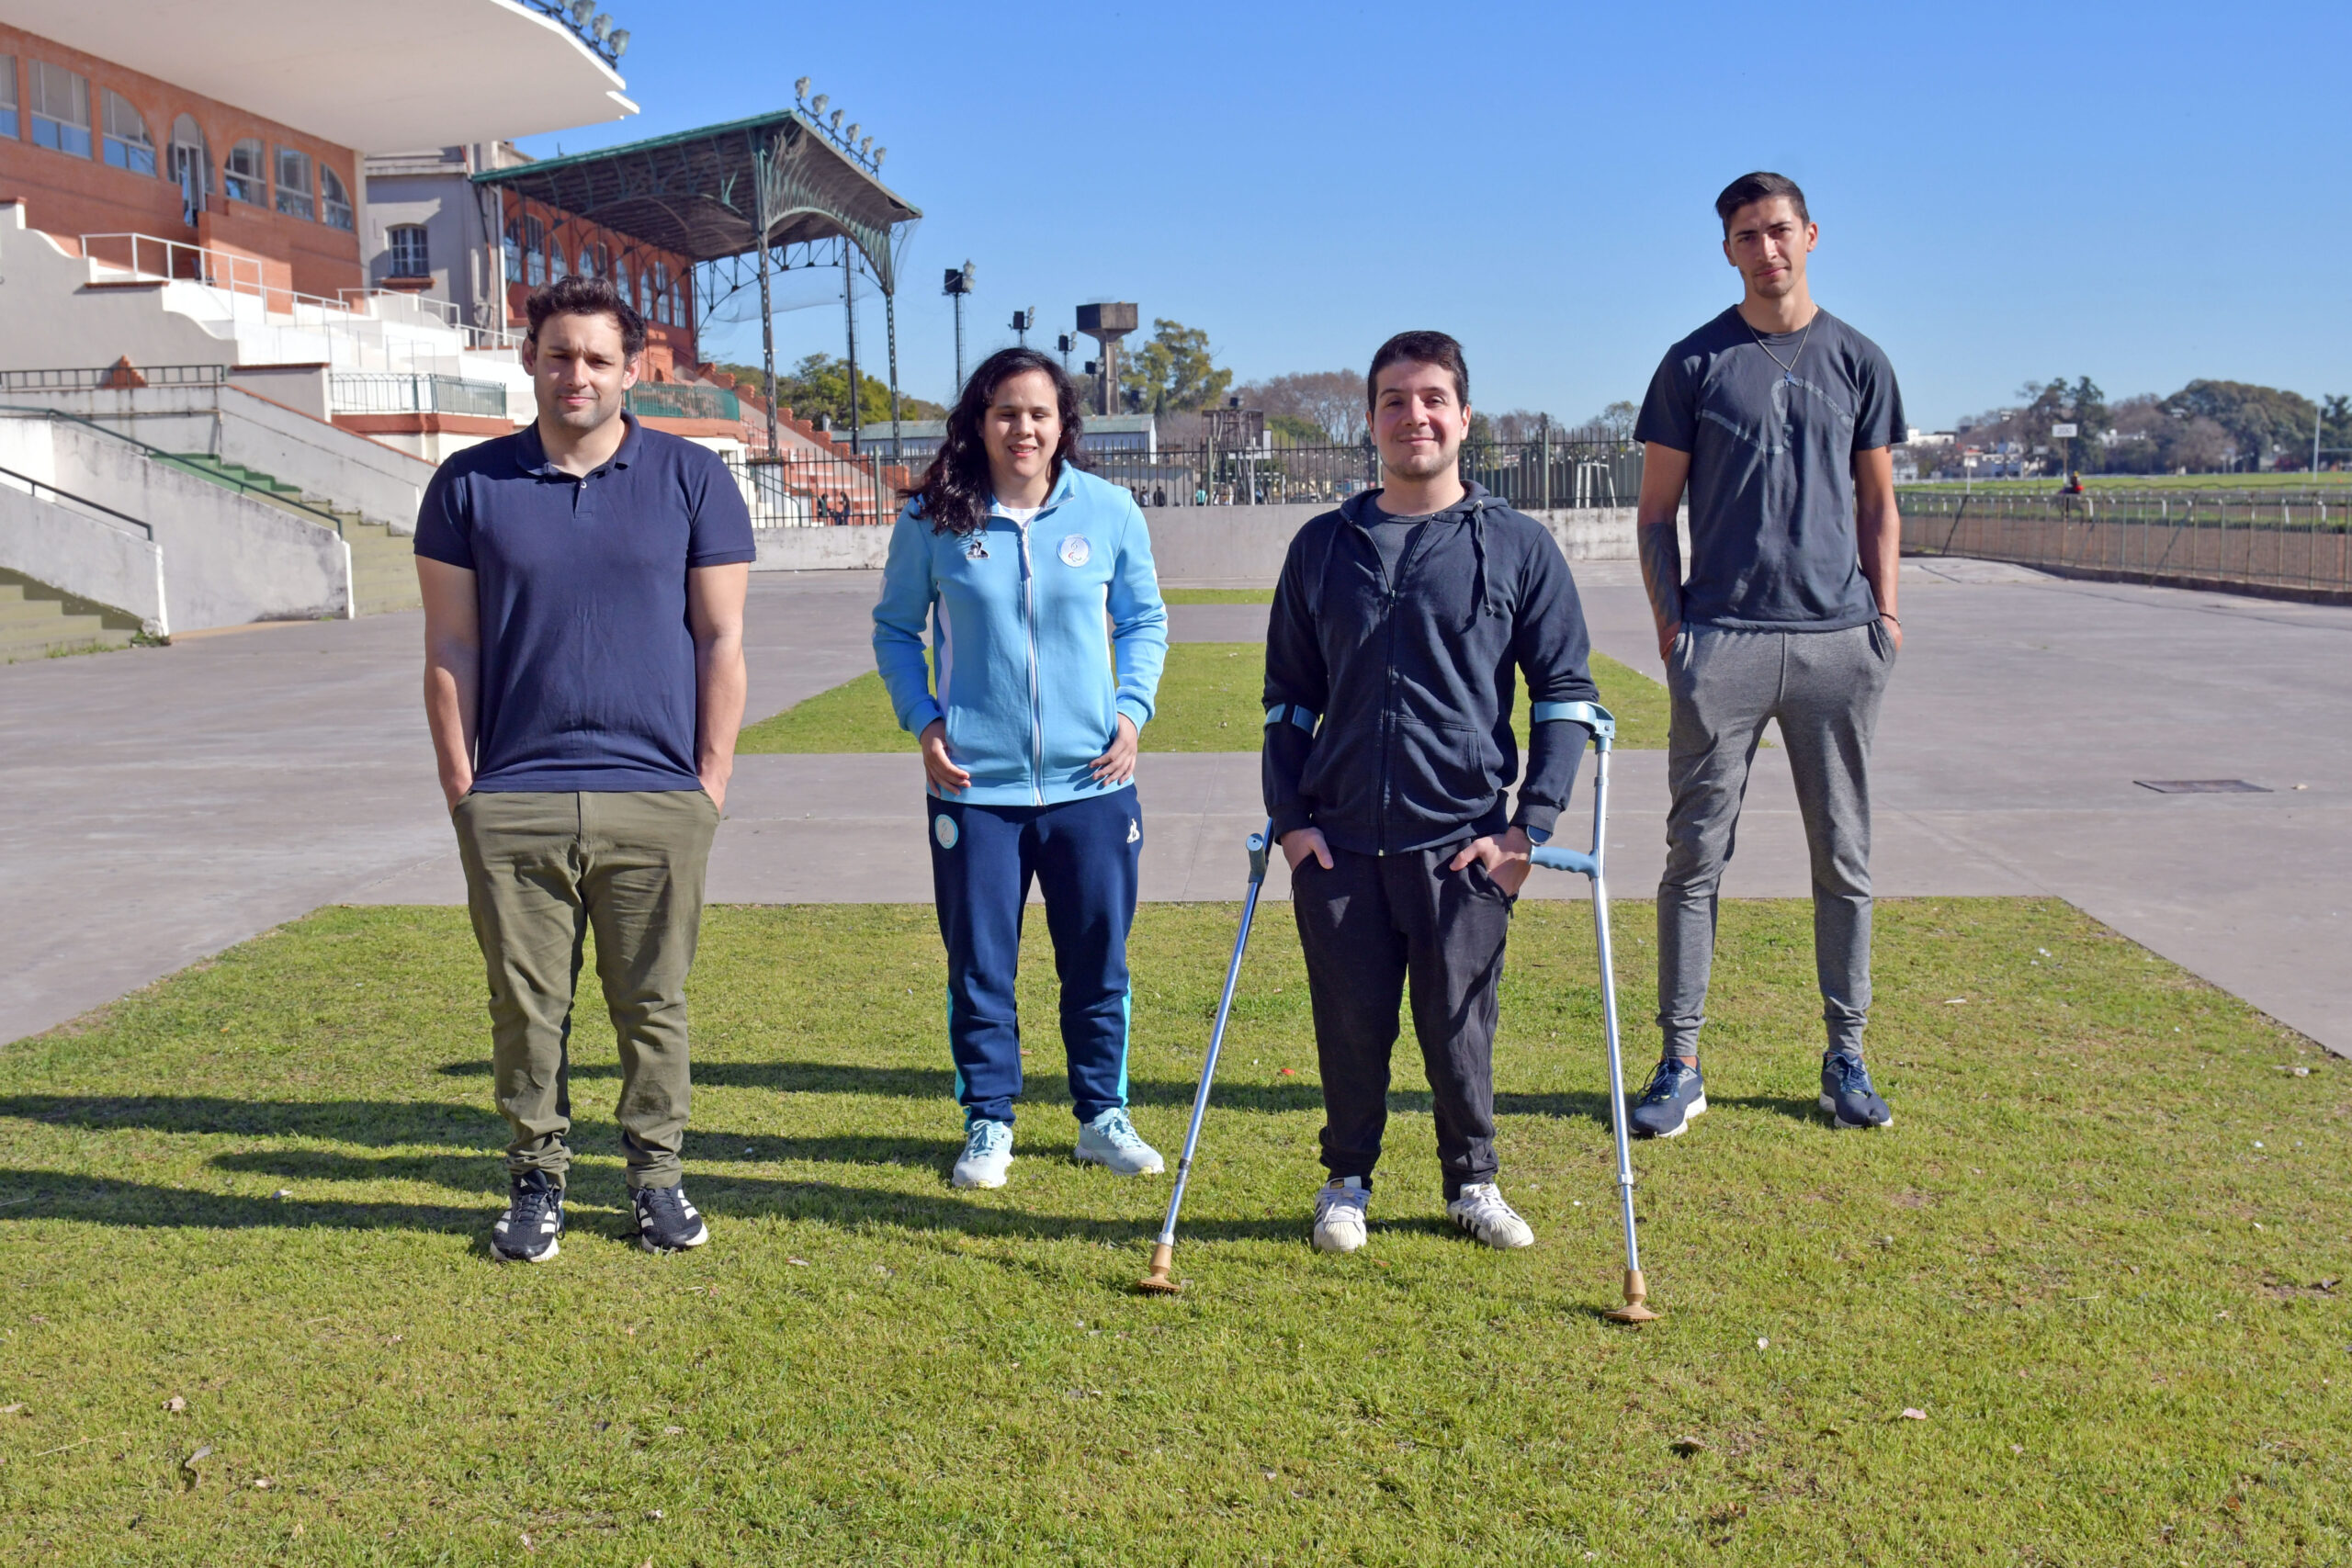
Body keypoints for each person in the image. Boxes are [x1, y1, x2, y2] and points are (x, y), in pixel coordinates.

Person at [415, 274, 753, 1263]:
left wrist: (709, 783)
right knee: (527, 1011)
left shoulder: (692, 479)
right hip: (514, 797)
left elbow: (722, 640)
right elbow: (450, 647)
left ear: (632, 370)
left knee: (653, 1004)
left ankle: (657, 1180)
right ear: (529, 358)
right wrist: (464, 790)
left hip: (657, 793)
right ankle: (536, 1181)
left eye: (599, 358)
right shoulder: (468, 485)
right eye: (560, 354)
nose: (578, 374)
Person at [1262, 330, 1602, 1256]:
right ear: (1371, 420)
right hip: (1338, 843)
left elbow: (1565, 696)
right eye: (1394, 400)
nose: (1414, 416)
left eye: (1432, 399)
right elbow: (1288, 702)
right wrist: (1290, 822)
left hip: (1462, 844)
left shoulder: (1519, 546)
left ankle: (1471, 1181)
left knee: (1459, 1027)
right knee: (1349, 1026)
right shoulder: (1323, 547)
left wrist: (1527, 832)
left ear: (1464, 417)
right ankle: (1346, 1180)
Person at [1630, 171, 1905, 1139]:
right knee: (1694, 858)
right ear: (1727, 251)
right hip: (1726, 643)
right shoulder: (1693, 364)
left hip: (1838, 643)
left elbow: (1878, 501)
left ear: (1810, 235)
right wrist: (1675, 633)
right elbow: (1656, 513)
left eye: (1779, 230)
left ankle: (1846, 1057)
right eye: (1746, 236)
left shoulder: (1858, 360)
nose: (1766, 249)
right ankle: (1680, 1063)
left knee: (1844, 859)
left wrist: (1885, 619)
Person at [872, 347, 1170, 1190]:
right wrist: (925, 719)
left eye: (1039, 413)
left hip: (1094, 785)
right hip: (975, 790)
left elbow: (1144, 621)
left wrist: (1131, 711)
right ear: (980, 420)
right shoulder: (933, 518)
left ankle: (1102, 1116)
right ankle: (989, 1120)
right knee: (980, 965)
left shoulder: (1109, 511)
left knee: (1098, 957)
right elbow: (895, 630)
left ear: (1062, 422)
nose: (1023, 428)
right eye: (1006, 411)